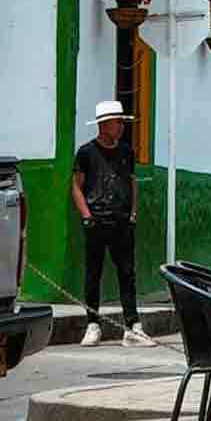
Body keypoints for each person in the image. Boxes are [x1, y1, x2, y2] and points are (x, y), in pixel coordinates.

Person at [71, 101, 153, 348]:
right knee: (93, 274)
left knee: (127, 274)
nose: (120, 127)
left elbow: (132, 181)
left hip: (122, 221)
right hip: (96, 220)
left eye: (121, 122)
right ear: (103, 125)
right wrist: (86, 216)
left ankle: (132, 327)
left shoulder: (126, 152)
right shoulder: (86, 153)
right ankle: (92, 325)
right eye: (117, 122)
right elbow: (76, 185)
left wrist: (133, 213)